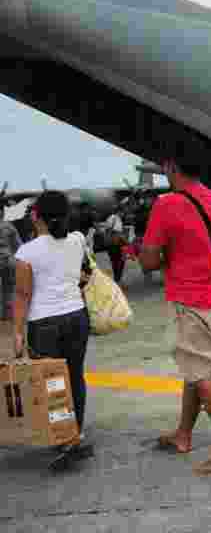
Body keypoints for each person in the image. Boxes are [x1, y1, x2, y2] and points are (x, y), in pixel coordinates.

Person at [139, 146, 211, 474]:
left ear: (171, 167)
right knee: (197, 369)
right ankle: (183, 434)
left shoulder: (167, 204)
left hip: (189, 299)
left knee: (202, 375)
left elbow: (149, 260)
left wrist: (148, 253)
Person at [12, 192, 92, 453]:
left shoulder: (27, 252)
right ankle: (75, 431)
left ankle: (61, 436)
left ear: (36, 216)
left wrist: (17, 332)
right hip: (77, 317)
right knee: (75, 376)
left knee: (51, 381)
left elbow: (23, 295)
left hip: (44, 323)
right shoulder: (77, 240)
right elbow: (84, 275)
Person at [0, 218, 22, 357]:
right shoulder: (8, 226)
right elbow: (19, 245)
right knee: (9, 291)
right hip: (8, 261)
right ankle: (8, 321)